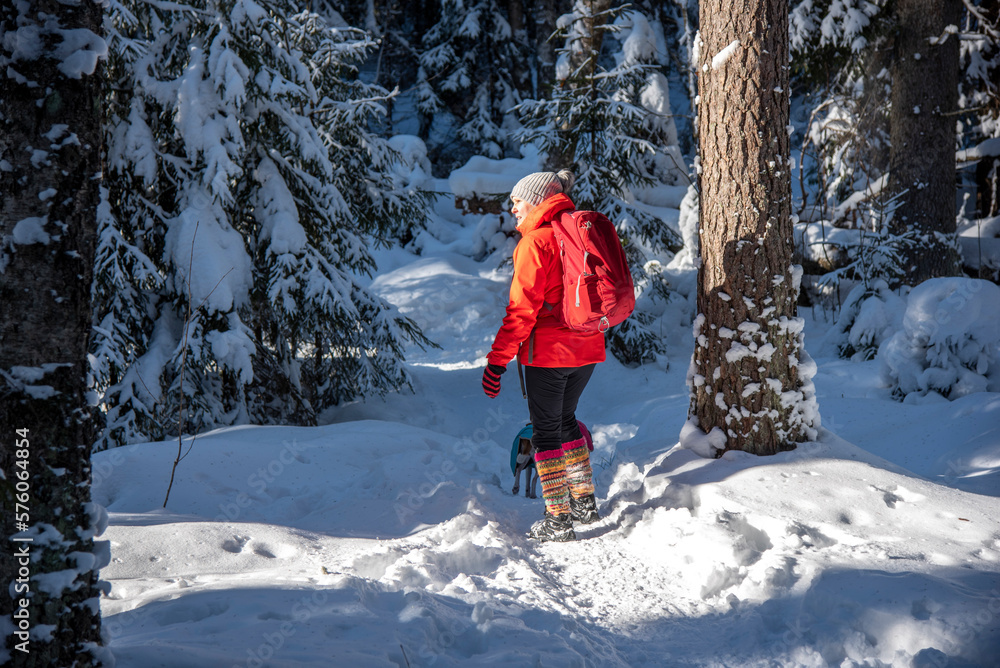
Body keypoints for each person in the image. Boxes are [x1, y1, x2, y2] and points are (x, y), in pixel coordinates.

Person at [481, 169, 604, 542]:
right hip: (588, 350)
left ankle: (558, 520)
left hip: (549, 354)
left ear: (536, 201)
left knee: (546, 432)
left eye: (517, 201)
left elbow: (521, 312)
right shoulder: (577, 234)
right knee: (566, 421)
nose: (513, 208)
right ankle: (584, 503)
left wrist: (497, 360)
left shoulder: (536, 243)